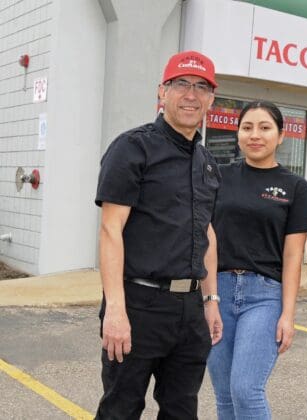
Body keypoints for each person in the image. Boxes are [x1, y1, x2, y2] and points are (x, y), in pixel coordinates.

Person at [94, 50, 223, 419]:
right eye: (181, 84)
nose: (191, 95)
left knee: (182, 411)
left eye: (201, 87)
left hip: (190, 309)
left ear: (211, 99)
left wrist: (211, 300)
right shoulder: (133, 148)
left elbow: (206, 233)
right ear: (162, 91)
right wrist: (115, 310)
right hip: (139, 304)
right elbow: (110, 229)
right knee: (120, 409)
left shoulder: (207, 163)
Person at [207, 101, 307, 419]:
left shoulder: (295, 187)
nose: (255, 135)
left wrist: (288, 315)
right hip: (218, 290)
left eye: (265, 127)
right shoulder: (217, 177)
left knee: (245, 389)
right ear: (238, 134)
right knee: (224, 394)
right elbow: (206, 239)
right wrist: (208, 298)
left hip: (264, 295)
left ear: (281, 136)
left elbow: (293, 255)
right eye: (247, 127)